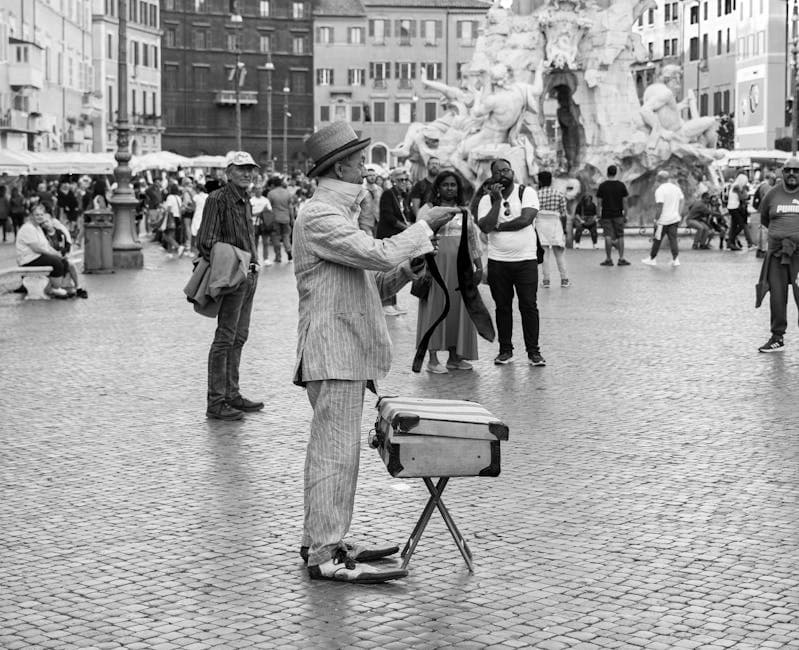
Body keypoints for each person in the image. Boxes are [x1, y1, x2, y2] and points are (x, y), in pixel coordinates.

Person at [292, 122, 458, 583]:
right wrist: (424, 225)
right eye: (358, 159)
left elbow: (373, 279)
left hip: (343, 350)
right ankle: (325, 554)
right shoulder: (320, 216)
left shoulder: (337, 215)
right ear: (339, 166)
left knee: (333, 451)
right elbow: (377, 253)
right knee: (335, 454)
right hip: (333, 351)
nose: (365, 167)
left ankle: (320, 539)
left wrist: (409, 268)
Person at [196, 151, 264, 421]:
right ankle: (216, 402)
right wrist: (236, 260)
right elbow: (206, 241)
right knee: (224, 338)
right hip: (234, 275)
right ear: (228, 172)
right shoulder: (218, 199)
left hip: (250, 275)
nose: (248, 173)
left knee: (239, 336)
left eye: (251, 169)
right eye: (241, 169)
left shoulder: (245, 199)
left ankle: (232, 393)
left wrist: (254, 263)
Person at [476, 157, 545, 366]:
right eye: (499, 172)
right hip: (498, 262)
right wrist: (497, 201)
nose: (504, 174)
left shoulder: (527, 192)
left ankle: (534, 352)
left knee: (528, 306)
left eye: (507, 170)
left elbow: (526, 219)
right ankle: (505, 350)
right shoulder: (486, 200)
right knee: (502, 307)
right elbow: (486, 226)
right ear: (493, 176)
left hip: (526, 260)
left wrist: (500, 227)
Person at [416, 170, 482, 374]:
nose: (450, 188)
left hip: (461, 266)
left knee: (459, 308)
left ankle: (455, 357)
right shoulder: (428, 210)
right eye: (445, 184)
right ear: (438, 188)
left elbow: (472, 239)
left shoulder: (465, 211)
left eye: (453, 185)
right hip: (435, 265)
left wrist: (479, 266)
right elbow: (419, 236)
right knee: (435, 308)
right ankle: (432, 359)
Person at [755, 157, 799, 353]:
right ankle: (777, 337)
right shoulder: (772, 195)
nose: (792, 174)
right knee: (777, 297)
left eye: (796, 171)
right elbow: (764, 218)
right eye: (788, 170)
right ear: (782, 173)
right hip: (777, 255)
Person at [376, 168, 413, 316]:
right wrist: (406, 227)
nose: (404, 182)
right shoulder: (387, 194)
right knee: (388, 269)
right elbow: (388, 217)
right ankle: (385, 303)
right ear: (394, 181)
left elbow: (405, 213)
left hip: (397, 237)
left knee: (395, 268)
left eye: (405, 179)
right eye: (401, 180)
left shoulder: (401, 196)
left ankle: (393, 303)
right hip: (387, 236)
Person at [15, 204, 70, 298]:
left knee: (63, 261)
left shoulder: (38, 228)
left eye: (41, 214)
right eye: (37, 215)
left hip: (37, 256)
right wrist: (54, 255)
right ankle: (56, 288)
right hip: (29, 259)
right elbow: (37, 248)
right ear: (31, 216)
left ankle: (54, 287)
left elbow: (46, 246)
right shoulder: (28, 228)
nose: (39, 217)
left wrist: (57, 253)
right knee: (56, 262)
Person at [41, 208, 88, 298]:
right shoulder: (43, 235)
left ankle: (78, 286)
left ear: (52, 221)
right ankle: (57, 288)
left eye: (47, 222)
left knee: (70, 264)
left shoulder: (59, 233)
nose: (45, 224)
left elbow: (67, 245)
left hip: (61, 256)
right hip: (51, 257)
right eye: (43, 223)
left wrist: (63, 253)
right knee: (61, 264)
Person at [535, 170, 570, 288]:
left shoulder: (536, 194)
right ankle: (564, 280)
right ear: (551, 181)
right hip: (555, 225)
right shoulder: (559, 194)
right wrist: (564, 230)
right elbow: (563, 213)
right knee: (559, 255)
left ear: (539, 181)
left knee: (544, 255)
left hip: (540, 225)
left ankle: (546, 281)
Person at [642, 170, 684, 267]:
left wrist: (656, 219)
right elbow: (682, 200)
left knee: (657, 239)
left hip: (663, 220)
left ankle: (652, 259)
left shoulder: (660, 190)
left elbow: (659, 206)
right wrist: (679, 214)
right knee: (673, 239)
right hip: (674, 219)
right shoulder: (675, 188)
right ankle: (675, 259)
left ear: (659, 179)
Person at [596, 165, 630, 266]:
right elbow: (625, 201)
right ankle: (621, 258)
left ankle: (608, 259)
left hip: (606, 214)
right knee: (620, 236)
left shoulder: (602, 186)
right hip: (618, 214)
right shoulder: (621, 185)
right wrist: (626, 214)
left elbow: (599, 202)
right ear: (616, 173)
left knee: (607, 236)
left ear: (607, 173)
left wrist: (598, 215)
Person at [266, 177, 294, 263]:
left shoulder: (271, 194)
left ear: (273, 184)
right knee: (286, 236)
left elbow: (268, 207)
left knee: (275, 237)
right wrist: (292, 218)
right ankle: (289, 251)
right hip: (286, 218)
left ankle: (278, 257)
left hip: (275, 219)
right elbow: (290, 207)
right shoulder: (287, 193)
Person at [726, 169, 753, 250]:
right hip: (734, 208)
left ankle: (731, 243)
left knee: (734, 226)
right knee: (741, 225)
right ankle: (730, 240)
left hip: (732, 207)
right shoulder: (737, 187)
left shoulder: (735, 185)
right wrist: (745, 194)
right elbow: (742, 197)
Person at [249, 184, 274, 266]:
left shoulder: (266, 200)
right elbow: (249, 213)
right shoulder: (251, 200)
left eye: (260, 189)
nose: (258, 191)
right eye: (257, 189)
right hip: (254, 223)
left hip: (264, 224)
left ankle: (266, 258)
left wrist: (264, 212)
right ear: (254, 190)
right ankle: (255, 259)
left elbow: (269, 211)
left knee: (265, 242)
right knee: (254, 242)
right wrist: (260, 212)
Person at [161, 184, 183, 257]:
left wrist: (164, 209)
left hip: (171, 218)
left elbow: (169, 208)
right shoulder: (178, 198)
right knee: (171, 235)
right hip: (177, 218)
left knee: (166, 235)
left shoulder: (170, 197)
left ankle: (178, 247)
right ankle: (169, 252)